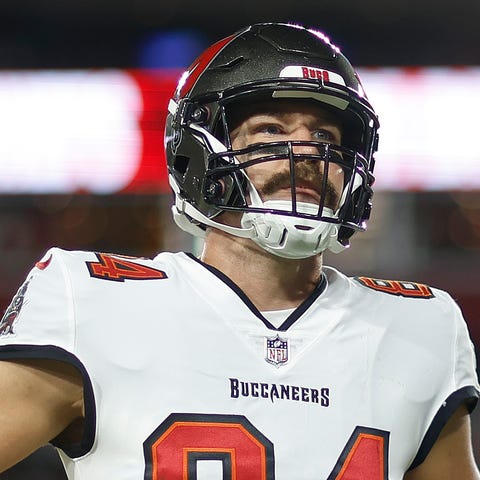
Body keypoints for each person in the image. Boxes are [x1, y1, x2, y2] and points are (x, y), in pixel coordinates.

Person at [0, 22, 478, 480]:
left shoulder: (421, 327)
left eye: (326, 137)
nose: (307, 152)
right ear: (199, 154)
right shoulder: (88, 302)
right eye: (271, 130)